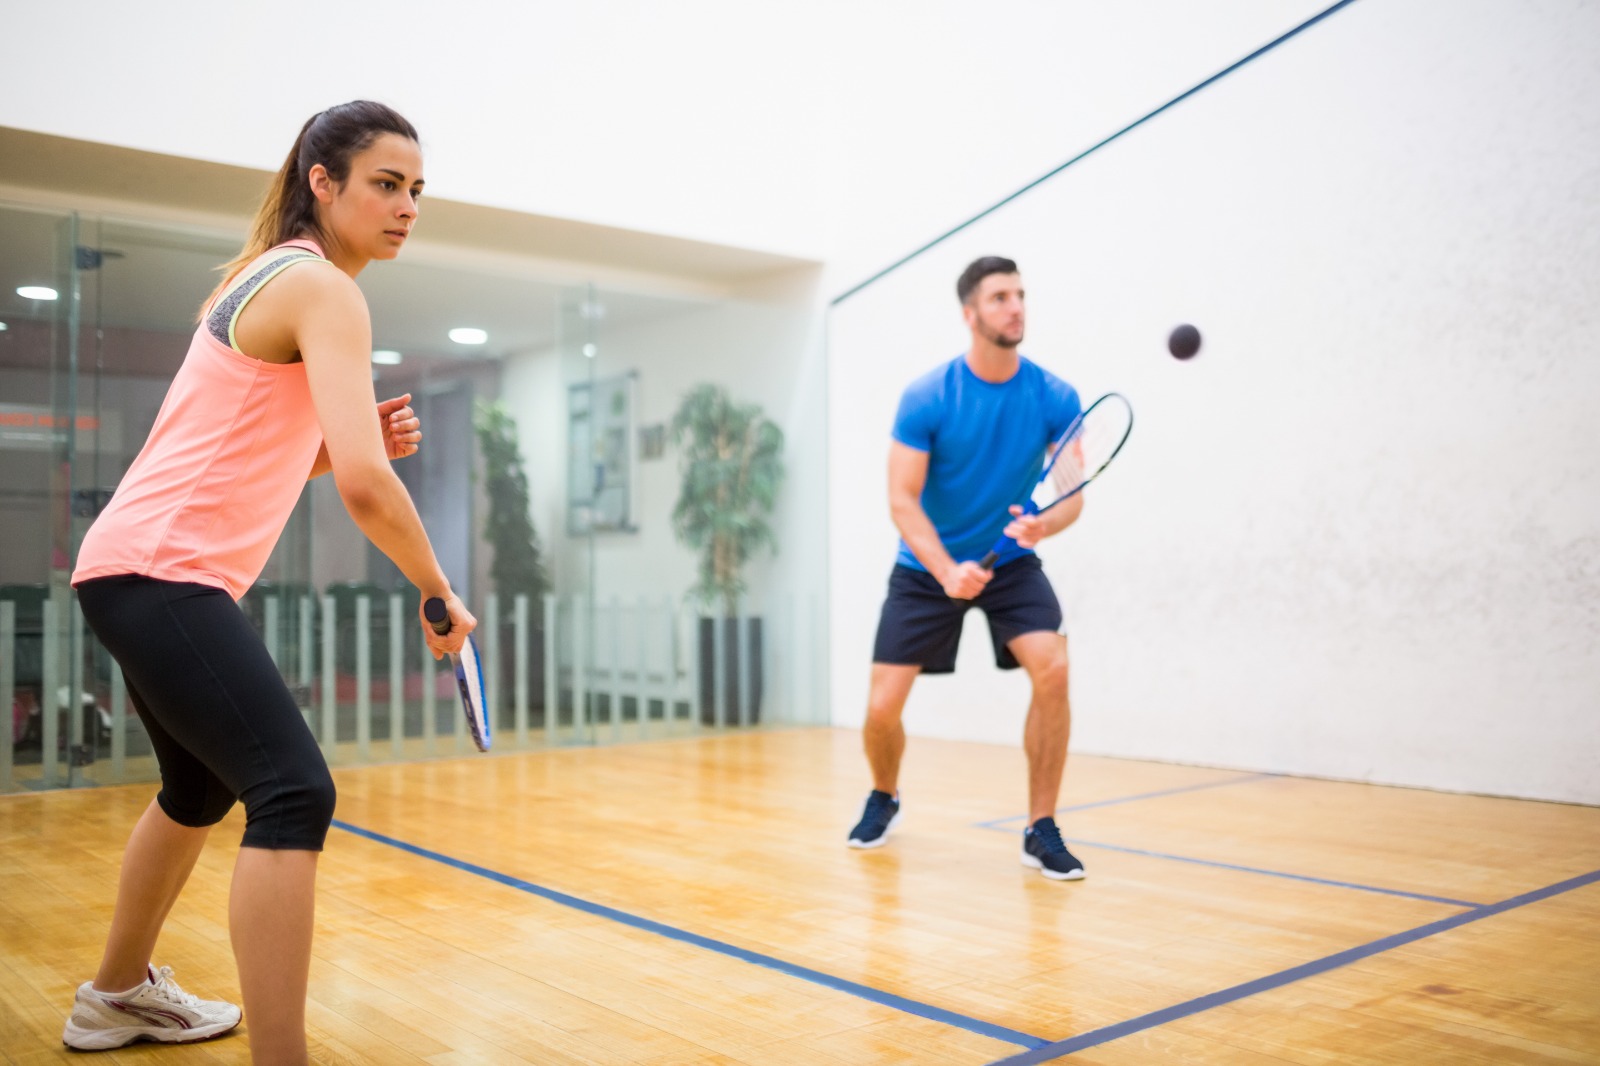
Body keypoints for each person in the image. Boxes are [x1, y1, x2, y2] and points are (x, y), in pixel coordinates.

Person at [63, 101, 475, 1061]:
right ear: (321, 182)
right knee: (293, 792)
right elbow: (372, 490)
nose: (407, 205)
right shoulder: (325, 287)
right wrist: (437, 590)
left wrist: (342, 447)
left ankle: (115, 994)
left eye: (417, 190)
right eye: (386, 183)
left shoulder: (265, 276)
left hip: (130, 569)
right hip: (164, 574)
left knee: (199, 791)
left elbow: (244, 454)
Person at [847, 256, 1087, 881]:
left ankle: (1041, 827)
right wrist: (946, 569)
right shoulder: (928, 396)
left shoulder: (1056, 396)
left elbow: (1071, 495)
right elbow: (901, 499)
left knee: (1054, 669)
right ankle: (884, 794)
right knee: (880, 710)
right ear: (970, 313)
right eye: (1000, 297)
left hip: (1011, 564)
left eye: (1020, 295)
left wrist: (1043, 525)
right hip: (927, 568)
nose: (1015, 307)